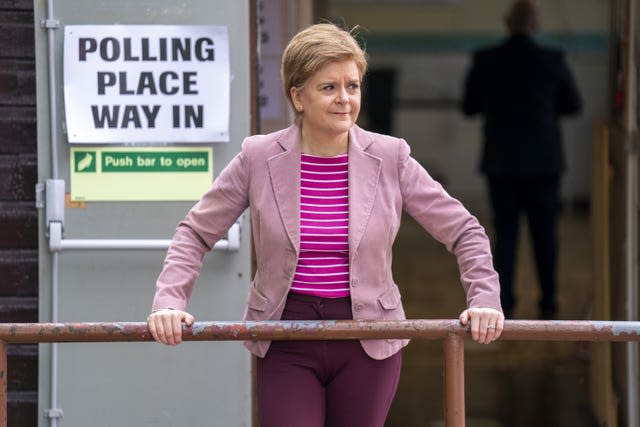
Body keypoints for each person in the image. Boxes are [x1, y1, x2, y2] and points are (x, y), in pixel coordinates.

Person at [148, 22, 503, 427]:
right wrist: (170, 302)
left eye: (352, 86)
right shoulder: (258, 157)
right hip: (285, 339)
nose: (344, 100)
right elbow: (194, 232)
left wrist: (484, 300)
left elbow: (464, 230)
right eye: (328, 87)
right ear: (298, 97)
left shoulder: (391, 157)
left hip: (368, 342)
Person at [461, 0, 582, 319]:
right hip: (544, 162)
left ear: (507, 23)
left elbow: (469, 106)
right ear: (535, 24)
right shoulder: (552, 59)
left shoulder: (486, 59)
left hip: (501, 161)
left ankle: (505, 304)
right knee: (545, 236)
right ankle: (549, 304)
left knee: (506, 236)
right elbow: (573, 105)